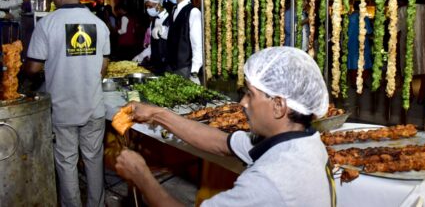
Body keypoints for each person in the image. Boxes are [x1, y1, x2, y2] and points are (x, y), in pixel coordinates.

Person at [115, 46, 334, 206]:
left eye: (250, 94)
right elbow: (220, 142)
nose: (242, 103)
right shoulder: (302, 140)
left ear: (278, 106)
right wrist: (158, 113)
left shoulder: (269, 181)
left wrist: (141, 176)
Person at [24, 0, 110, 207]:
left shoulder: (47, 24)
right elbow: (103, 65)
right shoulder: (99, 24)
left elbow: (32, 68)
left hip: (63, 109)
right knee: (94, 160)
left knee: (66, 161)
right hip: (93, 106)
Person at [398, 2, 425, 103]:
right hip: (422, 42)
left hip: (406, 42)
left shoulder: (402, 9)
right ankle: (422, 96)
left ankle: (409, 94)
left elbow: (396, 28)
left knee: (407, 68)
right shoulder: (424, 8)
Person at [347, 1, 373, 86]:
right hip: (363, 42)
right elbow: (369, 31)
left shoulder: (349, 17)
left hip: (351, 42)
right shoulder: (365, 18)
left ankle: (354, 82)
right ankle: (362, 81)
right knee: (364, 61)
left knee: (353, 61)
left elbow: (346, 32)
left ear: (353, 7)